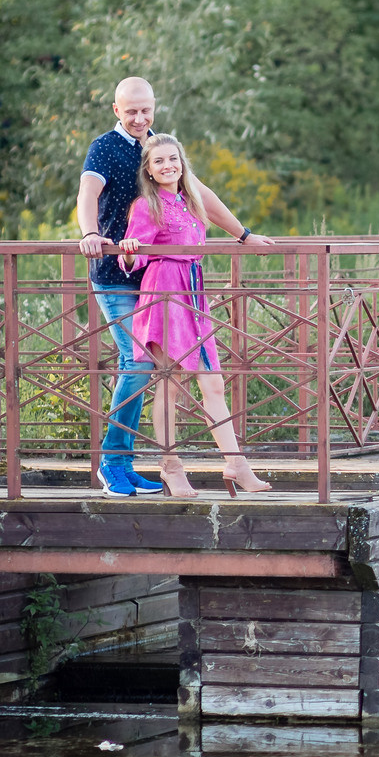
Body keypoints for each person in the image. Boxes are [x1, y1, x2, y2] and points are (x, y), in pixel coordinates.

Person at [74, 77, 265, 497]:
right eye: (131, 111)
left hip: (161, 283)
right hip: (117, 273)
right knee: (138, 364)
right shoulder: (105, 147)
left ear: (154, 107)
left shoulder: (157, 146)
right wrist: (89, 233)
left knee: (160, 372)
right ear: (116, 110)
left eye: (146, 110)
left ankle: (134, 464)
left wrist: (242, 234)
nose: (140, 118)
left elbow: (200, 193)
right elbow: (88, 191)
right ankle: (113, 462)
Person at [120, 133, 273, 497]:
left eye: (173, 159)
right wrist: (128, 251)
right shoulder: (146, 205)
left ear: (182, 163)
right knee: (170, 383)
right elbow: (133, 257)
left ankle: (236, 464)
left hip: (193, 293)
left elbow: (213, 226)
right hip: (164, 293)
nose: (167, 166)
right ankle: (171, 467)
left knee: (213, 383)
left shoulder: (191, 201)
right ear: (149, 170)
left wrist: (246, 236)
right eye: (159, 161)